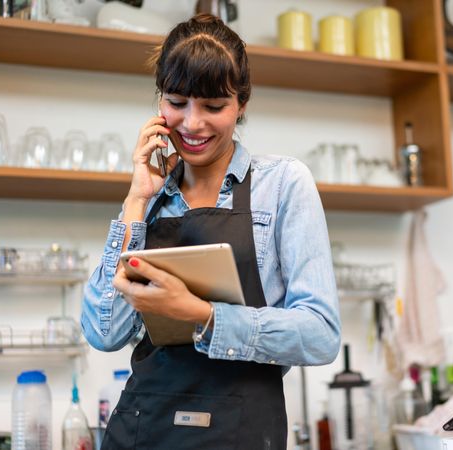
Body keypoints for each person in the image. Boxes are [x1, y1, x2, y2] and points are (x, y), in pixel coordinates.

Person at [81, 13, 341, 449]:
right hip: (143, 430)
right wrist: (136, 198)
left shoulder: (282, 185)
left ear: (241, 103)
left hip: (241, 431)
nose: (192, 124)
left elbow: (321, 335)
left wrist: (202, 315)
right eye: (176, 101)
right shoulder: (152, 197)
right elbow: (104, 334)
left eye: (213, 106)